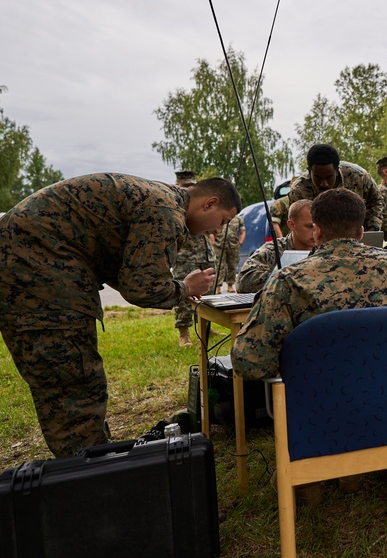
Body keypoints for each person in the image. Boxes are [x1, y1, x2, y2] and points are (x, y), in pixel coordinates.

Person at [0, 173, 240, 458]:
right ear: (209, 204)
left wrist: (177, 288)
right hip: (40, 272)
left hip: (28, 262)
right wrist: (185, 287)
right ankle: (90, 476)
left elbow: (125, 272)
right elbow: (142, 288)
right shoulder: (165, 212)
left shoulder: (161, 199)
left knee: (68, 383)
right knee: (73, 384)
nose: (218, 229)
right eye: (223, 221)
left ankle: (94, 464)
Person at [231, 189, 387, 382]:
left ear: (317, 230)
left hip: (322, 415)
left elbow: (249, 361)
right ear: (361, 232)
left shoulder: (287, 281)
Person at [285, 144, 382, 231]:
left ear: (336, 170)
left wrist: (372, 229)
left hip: (358, 236)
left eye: (329, 177)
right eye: (318, 178)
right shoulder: (299, 190)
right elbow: (297, 222)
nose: (324, 184)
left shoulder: (359, 177)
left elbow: (377, 201)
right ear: (310, 171)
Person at [170, 171, 218, 347]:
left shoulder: (201, 203)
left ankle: (206, 326)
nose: (189, 189)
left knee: (208, 294)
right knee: (184, 293)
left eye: (192, 185)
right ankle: (184, 333)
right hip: (185, 256)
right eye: (186, 185)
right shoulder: (174, 204)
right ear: (178, 185)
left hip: (205, 254)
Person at [235, 199, 317, 294]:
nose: (316, 232)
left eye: (318, 226)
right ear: (292, 225)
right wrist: (290, 279)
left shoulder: (325, 249)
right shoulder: (274, 250)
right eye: (309, 226)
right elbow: (243, 281)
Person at [214, 208, 245, 293]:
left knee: (232, 266)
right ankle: (217, 286)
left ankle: (230, 285)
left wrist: (240, 242)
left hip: (233, 246)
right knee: (219, 266)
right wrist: (212, 242)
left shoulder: (238, 219)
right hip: (219, 245)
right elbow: (212, 231)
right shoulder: (220, 217)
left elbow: (243, 231)